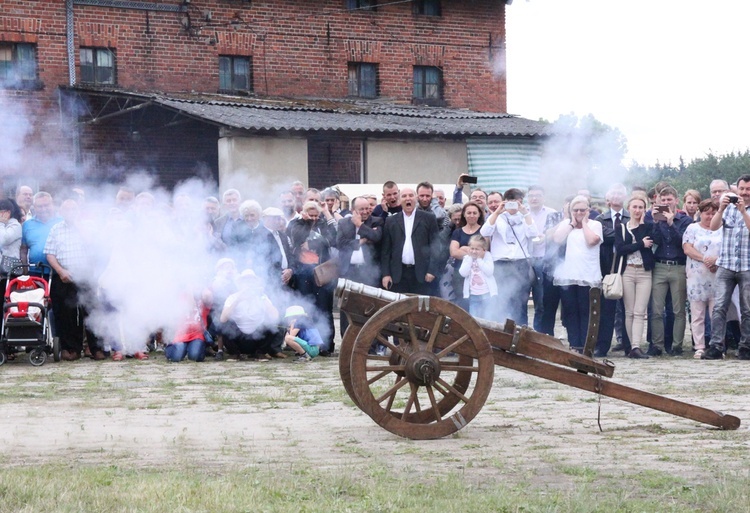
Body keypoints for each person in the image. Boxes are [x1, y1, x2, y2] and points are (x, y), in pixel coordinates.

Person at [44, 198, 102, 361]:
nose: (70, 213)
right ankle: (71, 349)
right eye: (66, 210)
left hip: (85, 275)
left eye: (73, 209)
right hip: (63, 276)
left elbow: (97, 250)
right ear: (61, 212)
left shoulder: (88, 227)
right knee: (66, 314)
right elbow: (50, 254)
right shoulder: (56, 229)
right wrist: (61, 271)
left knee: (91, 312)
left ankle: (95, 348)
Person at [702, 175, 750, 361]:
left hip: (747, 265)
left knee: (747, 309)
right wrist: (721, 209)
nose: (745, 192)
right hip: (726, 264)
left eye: (748, 189)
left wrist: (743, 212)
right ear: (736, 189)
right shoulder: (728, 208)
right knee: (719, 306)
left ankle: (745, 347)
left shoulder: (742, 209)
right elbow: (713, 227)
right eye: (742, 188)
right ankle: (716, 346)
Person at [552, 195, 603, 352]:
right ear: (571, 211)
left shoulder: (595, 224)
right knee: (571, 311)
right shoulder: (566, 224)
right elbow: (557, 239)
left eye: (582, 209)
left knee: (586, 311)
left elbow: (592, 241)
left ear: (588, 210)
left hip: (588, 275)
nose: (579, 212)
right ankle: (574, 344)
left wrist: (584, 223)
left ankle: (586, 344)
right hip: (569, 275)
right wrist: (572, 223)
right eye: (576, 210)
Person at [480, 188, 538, 324]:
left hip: (520, 263)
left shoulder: (525, 217)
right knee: (502, 300)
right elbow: (485, 232)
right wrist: (497, 212)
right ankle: (503, 334)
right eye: (510, 202)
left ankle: (521, 333)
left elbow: (533, 233)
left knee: (521, 302)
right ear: (505, 202)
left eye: (517, 202)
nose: (514, 206)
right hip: (501, 263)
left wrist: (525, 213)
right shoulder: (497, 217)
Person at [288, 200, 337, 352]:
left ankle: (326, 345)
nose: (314, 218)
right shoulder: (297, 224)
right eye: (311, 215)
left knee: (324, 309)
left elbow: (332, 240)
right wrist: (307, 222)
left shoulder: (323, 224)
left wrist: (313, 244)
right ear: (304, 213)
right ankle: (304, 344)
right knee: (305, 309)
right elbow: (298, 238)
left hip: (322, 271)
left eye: (316, 215)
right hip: (303, 273)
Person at [649, 185, 692, 356]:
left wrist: (670, 223)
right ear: (659, 201)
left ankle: (676, 346)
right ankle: (657, 345)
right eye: (663, 200)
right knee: (657, 309)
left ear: (676, 200)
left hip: (678, 266)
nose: (666, 202)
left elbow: (682, 243)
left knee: (678, 310)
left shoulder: (685, 220)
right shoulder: (657, 218)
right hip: (659, 266)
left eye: (669, 200)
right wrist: (655, 222)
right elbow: (655, 241)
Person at [614, 195, 654, 359]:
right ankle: (631, 346)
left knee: (639, 311)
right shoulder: (621, 227)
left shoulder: (648, 227)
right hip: (627, 271)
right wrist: (639, 244)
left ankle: (636, 346)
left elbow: (649, 243)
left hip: (644, 272)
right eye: (635, 207)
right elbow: (621, 249)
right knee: (629, 311)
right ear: (628, 208)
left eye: (641, 207)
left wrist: (643, 225)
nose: (637, 210)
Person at [337, 196, 383, 336]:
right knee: (347, 307)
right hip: (349, 271)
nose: (365, 211)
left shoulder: (377, 220)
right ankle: (346, 339)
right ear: (353, 210)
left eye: (367, 208)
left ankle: (371, 342)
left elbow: (376, 237)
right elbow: (340, 244)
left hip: (368, 271)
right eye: (361, 209)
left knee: (369, 307)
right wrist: (361, 241)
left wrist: (360, 225)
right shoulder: (343, 223)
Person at [381, 188, 440, 295]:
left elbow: (436, 247)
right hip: (398, 274)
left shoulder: (429, 218)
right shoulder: (391, 221)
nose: (408, 198)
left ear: (416, 198)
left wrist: (432, 271)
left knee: (421, 309)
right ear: (399, 199)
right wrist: (386, 274)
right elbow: (385, 250)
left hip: (422, 274)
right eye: (404, 196)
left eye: (411, 195)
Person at [594, 184, 631, 357]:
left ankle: (629, 345)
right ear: (608, 198)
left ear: (625, 197)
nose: (616, 196)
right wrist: (624, 234)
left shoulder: (631, 216)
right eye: (613, 193)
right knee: (607, 309)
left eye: (619, 193)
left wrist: (618, 235)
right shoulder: (600, 219)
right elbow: (604, 237)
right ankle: (602, 346)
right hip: (607, 267)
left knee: (628, 309)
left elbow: (632, 238)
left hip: (629, 267)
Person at [682, 199, 721, 359]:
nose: (710, 216)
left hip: (717, 275)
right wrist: (705, 258)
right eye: (707, 213)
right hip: (696, 276)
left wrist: (716, 261)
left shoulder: (722, 229)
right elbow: (687, 248)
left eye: (713, 213)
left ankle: (717, 345)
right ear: (700, 213)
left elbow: (726, 248)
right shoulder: (692, 228)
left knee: (716, 314)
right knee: (697, 314)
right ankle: (699, 346)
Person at [219, 269, 279, 361]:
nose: (248, 283)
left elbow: (275, 316)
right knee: (224, 325)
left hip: (257, 339)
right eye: (246, 281)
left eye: (251, 281)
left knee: (272, 324)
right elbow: (223, 319)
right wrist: (238, 299)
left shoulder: (262, 297)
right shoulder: (233, 297)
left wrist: (261, 297)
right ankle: (235, 354)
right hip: (238, 338)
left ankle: (260, 353)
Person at [527, 185, 556, 332]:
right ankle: (522, 333)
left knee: (541, 302)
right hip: (524, 260)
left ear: (543, 197)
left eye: (538, 195)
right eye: (531, 195)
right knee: (520, 300)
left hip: (544, 260)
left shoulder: (552, 213)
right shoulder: (522, 213)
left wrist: (547, 237)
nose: (534, 198)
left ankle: (540, 334)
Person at [449, 202, 485, 312]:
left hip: (479, 274)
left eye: (475, 213)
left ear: (479, 214)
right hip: (460, 274)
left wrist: (464, 249)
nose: (472, 215)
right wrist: (474, 251)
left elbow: (484, 253)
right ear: (464, 214)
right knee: (462, 304)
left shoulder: (484, 231)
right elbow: (454, 252)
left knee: (479, 305)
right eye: (469, 213)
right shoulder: (457, 232)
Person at [20, 192, 62, 272]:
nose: (44, 209)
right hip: (35, 272)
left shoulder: (62, 222)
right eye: (40, 206)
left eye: (46, 205)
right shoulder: (27, 225)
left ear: (52, 205)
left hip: (59, 274)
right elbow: (23, 250)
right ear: (34, 207)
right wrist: (25, 272)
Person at [458, 234, 497, 319]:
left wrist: (479, 260)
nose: (474, 251)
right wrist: (470, 260)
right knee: (475, 319)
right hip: (473, 296)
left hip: (487, 295)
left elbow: (489, 272)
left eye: (477, 249)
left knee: (488, 318)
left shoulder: (488, 256)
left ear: (484, 250)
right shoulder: (467, 258)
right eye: (472, 248)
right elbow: (463, 273)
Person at [166, 293, 210, 363]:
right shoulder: (179, 296)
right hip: (181, 334)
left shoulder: (203, 295)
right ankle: (176, 349)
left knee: (195, 356)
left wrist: (202, 291)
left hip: (197, 335)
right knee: (176, 357)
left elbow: (209, 297)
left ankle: (188, 350)